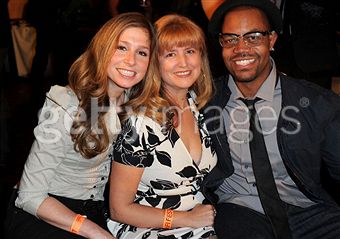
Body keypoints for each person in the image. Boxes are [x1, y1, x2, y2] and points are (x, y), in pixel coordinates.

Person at [4, 12, 155, 239]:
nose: (131, 60)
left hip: (95, 210)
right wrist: (96, 233)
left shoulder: (137, 105)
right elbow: (30, 195)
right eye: (121, 48)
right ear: (102, 50)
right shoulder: (67, 103)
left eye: (142, 52)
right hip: (44, 209)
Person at [201, 0, 340, 238]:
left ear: (272, 41)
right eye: (231, 39)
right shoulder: (205, 103)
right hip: (239, 211)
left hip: (307, 210)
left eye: (253, 37)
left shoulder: (316, 102)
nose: (241, 48)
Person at [107, 14, 217, 239]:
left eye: (190, 51)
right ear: (155, 63)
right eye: (170, 54)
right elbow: (119, 209)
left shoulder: (196, 104)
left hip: (199, 221)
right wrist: (186, 220)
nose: (183, 63)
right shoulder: (141, 122)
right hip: (146, 226)